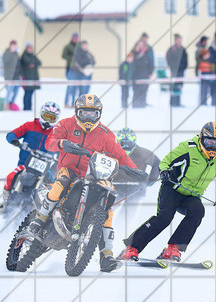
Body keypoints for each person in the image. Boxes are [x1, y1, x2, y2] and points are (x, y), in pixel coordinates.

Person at [24, 94, 138, 273]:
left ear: (99, 114)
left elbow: (121, 154)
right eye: (84, 113)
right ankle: (39, 220)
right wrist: (61, 143)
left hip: (93, 175)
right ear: (77, 112)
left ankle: (106, 255)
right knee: (61, 183)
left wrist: (134, 170)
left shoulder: (106, 134)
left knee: (107, 210)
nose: (88, 118)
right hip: (68, 169)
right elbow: (49, 142)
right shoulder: (65, 124)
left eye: (92, 114)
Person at [119, 122, 216, 265]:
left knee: (198, 212)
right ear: (203, 139)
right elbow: (166, 161)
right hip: (172, 188)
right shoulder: (189, 147)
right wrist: (165, 171)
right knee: (165, 217)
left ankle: (174, 248)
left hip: (191, 196)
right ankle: (131, 248)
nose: (212, 147)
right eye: (209, 142)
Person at [0, 101, 60, 215]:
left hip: (44, 169)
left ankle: (42, 211)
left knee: (49, 188)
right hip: (24, 164)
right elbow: (11, 134)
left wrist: (60, 156)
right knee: (10, 177)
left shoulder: (56, 134)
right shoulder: (30, 125)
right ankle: (5, 202)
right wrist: (15, 141)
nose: (48, 120)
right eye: (46, 116)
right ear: (41, 114)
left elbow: (61, 148)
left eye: (52, 118)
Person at [131, 36, 155, 107]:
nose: (140, 46)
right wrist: (135, 52)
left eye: (142, 45)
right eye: (139, 45)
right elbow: (130, 62)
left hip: (145, 75)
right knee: (136, 91)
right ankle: (135, 105)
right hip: (136, 75)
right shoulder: (133, 53)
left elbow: (151, 64)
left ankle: (142, 104)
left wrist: (150, 73)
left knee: (143, 91)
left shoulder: (147, 53)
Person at [19, 42, 42, 110]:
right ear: (26, 48)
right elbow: (28, 62)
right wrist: (33, 63)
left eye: (31, 48)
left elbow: (39, 62)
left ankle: (29, 107)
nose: (30, 49)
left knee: (31, 93)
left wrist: (33, 64)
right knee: (27, 93)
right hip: (27, 77)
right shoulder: (24, 55)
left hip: (33, 78)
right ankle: (26, 107)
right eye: (29, 48)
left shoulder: (33, 55)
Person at [166, 34, 187, 107]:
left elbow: (185, 60)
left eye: (181, 40)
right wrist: (173, 66)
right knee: (173, 86)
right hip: (174, 70)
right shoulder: (172, 49)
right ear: (175, 40)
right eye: (179, 40)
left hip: (181, 71)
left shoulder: (183, 49)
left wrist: (183, 67)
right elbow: (168, 59)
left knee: (179, 86)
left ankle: (178, 102)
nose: (180, 41)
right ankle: (172, 102)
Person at [62, 32, 81, 105]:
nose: (76, 39)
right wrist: (72, 58)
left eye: (77, 37)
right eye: (74, 37)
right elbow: (63, 55)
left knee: (75, 87)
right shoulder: (67, 46)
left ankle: (73, 103)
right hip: (70, 69)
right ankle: (66, 103)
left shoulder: (79, 46)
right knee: (70, 86)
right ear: (72, 38)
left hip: (78, 70)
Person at [195, 36, 214, 105]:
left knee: (206, 88)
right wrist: (205, 59)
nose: (206, 42)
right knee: (203, 88)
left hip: (207, 71)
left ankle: (204, 101)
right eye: (205, 41)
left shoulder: (204, 49)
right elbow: (198, 61)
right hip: (202, 71)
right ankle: (202, 102)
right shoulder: (199, 50)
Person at [2, 40, 20, 108]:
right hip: (9, 77)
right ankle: (5, 107)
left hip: (16, 77)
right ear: (10, 46)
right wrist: (11, 53)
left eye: (15, 45)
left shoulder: (16, 54)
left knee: (16, 92)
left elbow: (18, 65)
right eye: (12, 45)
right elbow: (5, 61)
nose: (14, 47)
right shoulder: (7, 53)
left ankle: (11, 105)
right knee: (9, 92)